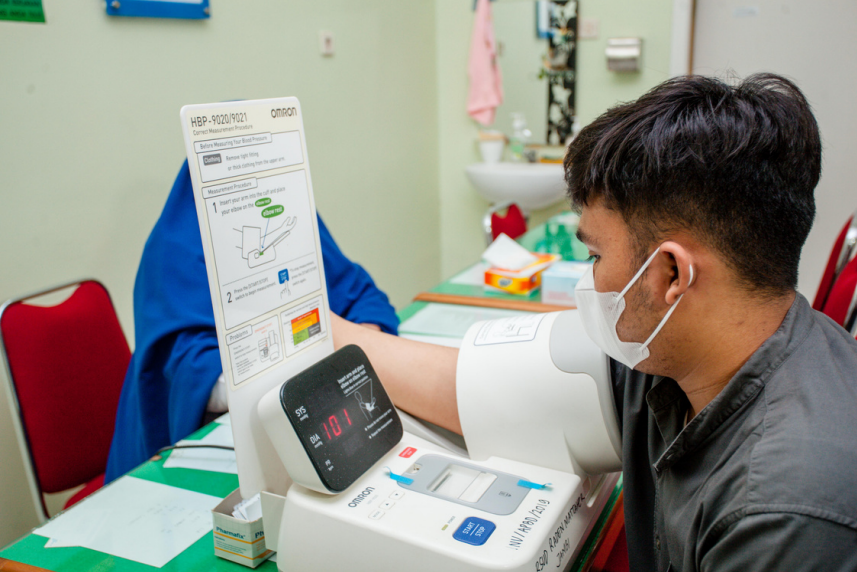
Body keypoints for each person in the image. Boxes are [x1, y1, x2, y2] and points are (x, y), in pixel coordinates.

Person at [332, 74, 857, 571]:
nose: (591, 280)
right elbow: (463, 385)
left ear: (671, 274)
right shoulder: (686, 355)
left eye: (595, 256)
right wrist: (316, 326)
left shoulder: (780, 513)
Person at [105, 160, 399, 482]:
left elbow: (361, 293)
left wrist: (361, 343)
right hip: (196, 443)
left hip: (309, 417)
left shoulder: (289, 217)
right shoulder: (174, 249)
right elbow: (196, 377)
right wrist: (329, 355)